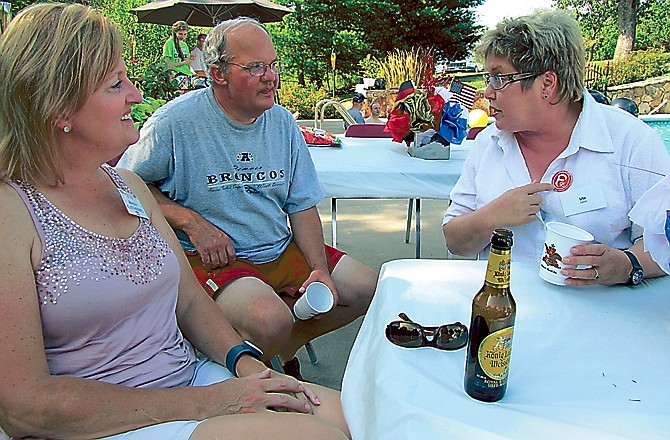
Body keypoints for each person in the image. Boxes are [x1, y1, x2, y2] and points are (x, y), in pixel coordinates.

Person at [0, 4, 350, 439]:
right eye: (115, 84)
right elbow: (22, 408)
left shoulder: (128, 185)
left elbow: (190, 302)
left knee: (352, 416)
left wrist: (246, 365)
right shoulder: (11, 212)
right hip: (104, 419)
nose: (135, 92)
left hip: (187, 381)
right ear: (59, 107)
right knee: (320, 436)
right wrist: (209, 402)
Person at [118, 17, 377, 379]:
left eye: (273, 65)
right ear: (218, 74)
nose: (271, 77)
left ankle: (287, 344)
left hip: (276, 246)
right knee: (270, 319)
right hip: (215, 259)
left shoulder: (282, 123)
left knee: (366, 286)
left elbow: (301, 204)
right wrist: (191, 222)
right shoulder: (175, 123)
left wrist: (318, 268)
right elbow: (125, 184)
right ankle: (243, 378)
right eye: (255, 67)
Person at [442, 9, 669, 287]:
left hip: (604, 317)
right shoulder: (488, 144)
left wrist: (627, 265)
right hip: (503, 313)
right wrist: (490, 217)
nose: (487, 91)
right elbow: (455, 241)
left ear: (547, 84)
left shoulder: (631, 141)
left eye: (498, 78)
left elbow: (663, 240)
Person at [163, 20, 195, 89]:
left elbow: (187, 63)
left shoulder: (184, 44)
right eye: (180, 34)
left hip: (187, 75)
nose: (182, 37)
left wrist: (190, 60)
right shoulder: (169, 43)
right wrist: (184, 62)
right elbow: (168, 64)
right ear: (175, 32)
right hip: (176, 75)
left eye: (185, 34)